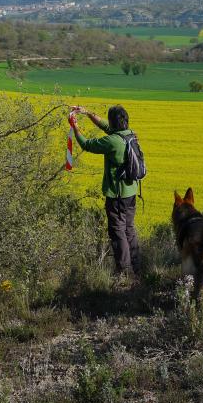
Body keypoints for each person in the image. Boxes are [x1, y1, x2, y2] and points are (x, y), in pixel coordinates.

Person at [69, 105, 140, 278]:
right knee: (129, 228)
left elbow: (86, 144)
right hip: (131, 192)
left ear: (113, 121)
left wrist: (74, 126)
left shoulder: (112, 142)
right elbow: (106, 127)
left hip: (117, 195)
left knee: (118, 230)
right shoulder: (130, 134)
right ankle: (137, 265)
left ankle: (124, 270)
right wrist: (86, 113)